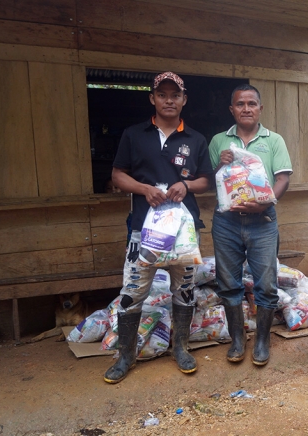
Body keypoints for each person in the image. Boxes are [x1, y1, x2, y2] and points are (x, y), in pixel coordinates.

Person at [105, 72, 213, 383]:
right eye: (162, 94)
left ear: (184, 100)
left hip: (183, 233)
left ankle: (179, 347)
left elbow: (205, 180)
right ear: (153, 98)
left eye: (175, 95)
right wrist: (143, 189)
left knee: (184, 289)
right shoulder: (134, 134)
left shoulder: (195, 139)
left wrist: (186, 185)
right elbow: (117, 175)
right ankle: (126, 355)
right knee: (133, 291)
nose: (169, 100)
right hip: (144, 229)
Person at [209, 84, 292, 366]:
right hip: (226, 222)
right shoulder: (219, 140)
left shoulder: (274, 140)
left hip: (263, 221)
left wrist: (266, 203)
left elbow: (283, 179)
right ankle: (236, 340)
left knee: (266, 284)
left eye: (251, 104)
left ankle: (262, 341)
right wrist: (220, 164)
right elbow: (213, 181)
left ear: (260, 108)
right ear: (232, 109)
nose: (246, 109)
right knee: (228, 282)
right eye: (240, 104)